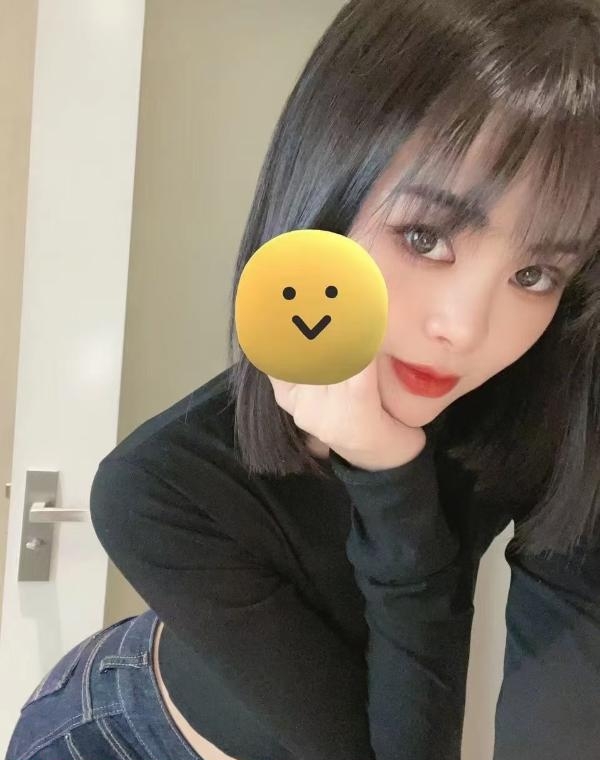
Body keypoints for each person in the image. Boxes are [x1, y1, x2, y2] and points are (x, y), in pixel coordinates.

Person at [7, 1, 600, 759]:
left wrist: (394, 474)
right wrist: (392, 478)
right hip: (123, 733)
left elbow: (566, 643)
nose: (466, 329)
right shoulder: (155, 488)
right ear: (323, 199)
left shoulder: (533, 406)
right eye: (426, 237)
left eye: (535, 273)